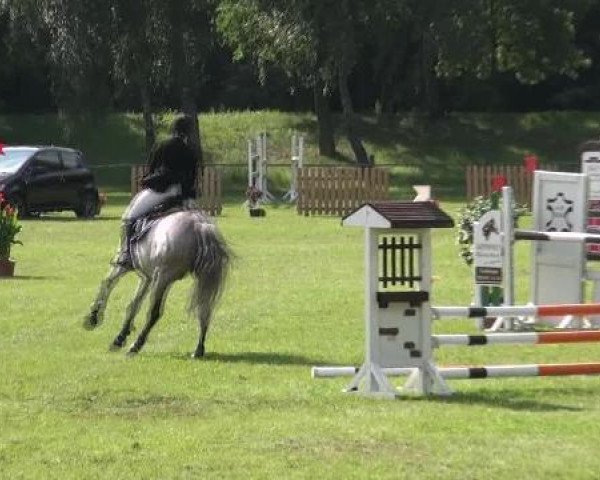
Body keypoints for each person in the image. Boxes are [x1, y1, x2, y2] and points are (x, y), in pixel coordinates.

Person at [115, 114, 202, 268]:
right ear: (188, 133)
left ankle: (126, 254)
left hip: (161, 191)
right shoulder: (192, 152)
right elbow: (192, 179)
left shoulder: (162, 146)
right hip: (182, 195)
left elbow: (152, 170)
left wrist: (147, 180)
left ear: (173, 129)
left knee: (128, 218)